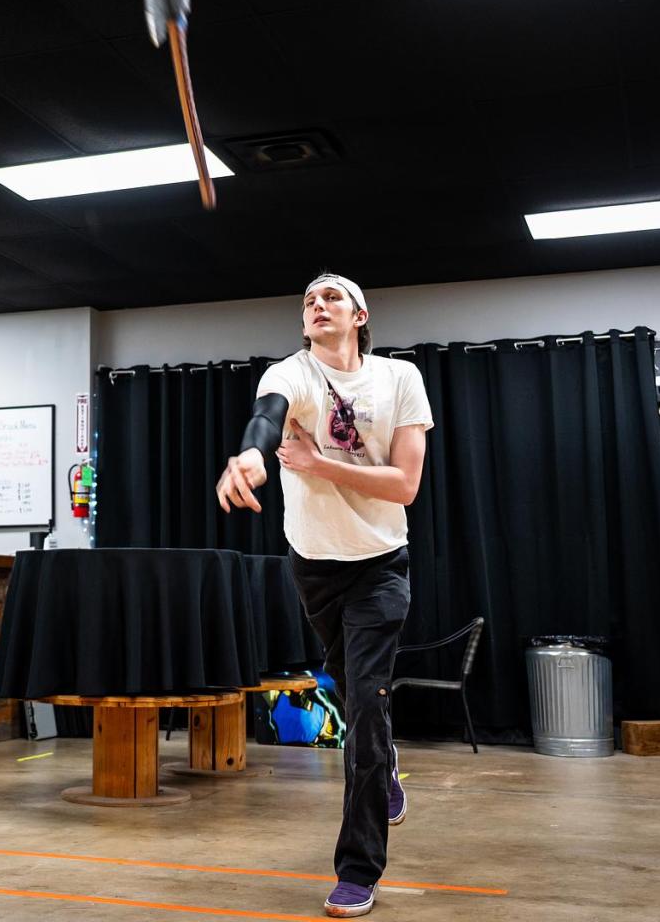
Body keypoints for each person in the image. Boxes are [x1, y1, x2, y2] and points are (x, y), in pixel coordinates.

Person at [216, 273, 433, 918]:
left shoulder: (399, 381)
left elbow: (403, 485)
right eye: (309, 301)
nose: (318, 306)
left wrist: (317, 465)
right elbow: (267, 417)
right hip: (315, 567)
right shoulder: (293, 373)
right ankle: (385, 760)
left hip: (380, 566)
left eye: (332, 297)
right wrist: (253, 458)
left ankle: (358, 870)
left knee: (366, 704)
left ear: (360, 314)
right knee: (351, 689)